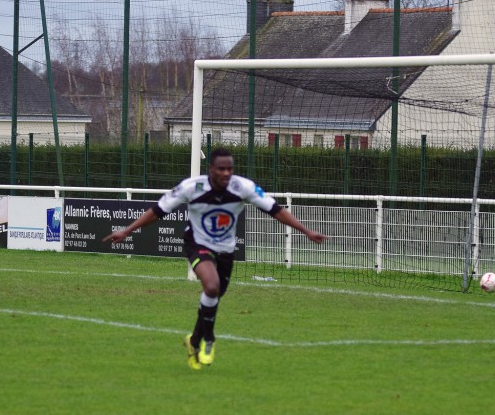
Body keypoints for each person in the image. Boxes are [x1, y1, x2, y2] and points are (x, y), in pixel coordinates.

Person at [103, 147, 327, 370]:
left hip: (226, 250)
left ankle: (193, 341)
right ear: (210, 169)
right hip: (197, 244)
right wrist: (127, 231)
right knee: (211, 287)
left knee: (214, 296)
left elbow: (276, 210)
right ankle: (209, 340)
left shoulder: (243, 187)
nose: (226, 173)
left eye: (230, 169)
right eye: (221, 169)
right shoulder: (191, 187)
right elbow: (157, 211)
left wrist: (306, 231)